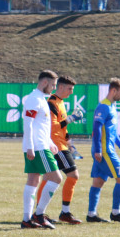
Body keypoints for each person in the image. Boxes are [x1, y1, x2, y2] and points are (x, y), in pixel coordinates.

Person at [20, 71, 64, 229]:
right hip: (37, 147)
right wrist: (31, 147)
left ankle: (27, 219)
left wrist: (50, 142)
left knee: (33, 180)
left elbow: (40, 126)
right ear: (44, 82)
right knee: (56, 178)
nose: (54, 88)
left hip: (39, 144)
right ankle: (39, 215)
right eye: (53, 85)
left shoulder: (41, 99)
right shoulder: (34, 99)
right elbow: (28, 123)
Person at [88, 78, 120, 224]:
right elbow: (96, 129)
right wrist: (99, 150)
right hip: (105, 151)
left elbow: (112, 132)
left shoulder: (112, 106)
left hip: (106, 150)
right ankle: (116, 213)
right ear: (113, 90)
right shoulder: (104, 107)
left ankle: (92, 214)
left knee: (98, 182)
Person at [47, 75, 86, 224]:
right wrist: (70, 118)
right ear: (61, 87)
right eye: (70, 89)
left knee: (48, 178)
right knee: (73, 175)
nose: (71, 92)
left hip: (61, 144)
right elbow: (52, 126)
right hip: (56, 146)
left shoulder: (61, 103)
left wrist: (71, 143)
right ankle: (64, 212)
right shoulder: (51, 102)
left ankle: (39, 213)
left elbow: (63, 128)